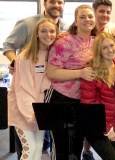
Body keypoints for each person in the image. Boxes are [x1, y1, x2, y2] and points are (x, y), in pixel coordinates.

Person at [3, 1, 66, 158]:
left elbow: (48, 83)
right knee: (29, 149)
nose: (48, 35)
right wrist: (31, 113)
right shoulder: (25, 56)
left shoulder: (53, 57)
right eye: (43, 31)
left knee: (38, 149)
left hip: (41, 110)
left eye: (52, 31)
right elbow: (23, 89)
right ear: (36, 33)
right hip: (23, 111)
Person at [46, 5, 96, 160]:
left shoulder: (96, 42)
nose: (87, 19)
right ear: (75, 21)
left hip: (82, 100)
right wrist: (80, 73)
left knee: (76, 147)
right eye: (82, 17)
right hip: (61, 98)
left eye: (90, 16)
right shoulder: (64, 42)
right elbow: (51, 72)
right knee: (62, 149)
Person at [80, 32, 115, 160]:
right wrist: (107, 129)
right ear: (98, 51)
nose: (110, 50)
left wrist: (112, 126)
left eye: (111, 45)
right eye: (104, 48)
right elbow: (89, 106)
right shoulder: (91, 70)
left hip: (112, 122)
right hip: (95, 127)